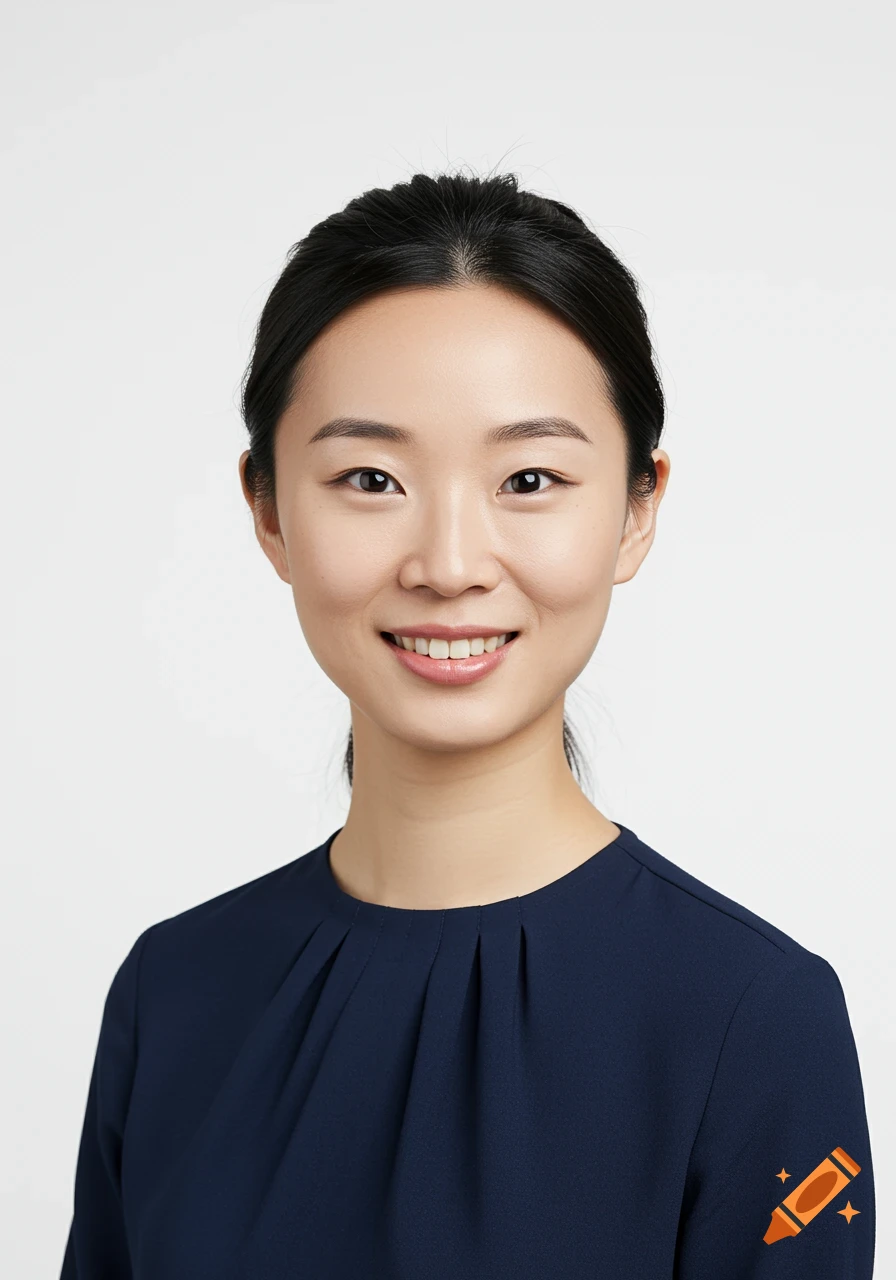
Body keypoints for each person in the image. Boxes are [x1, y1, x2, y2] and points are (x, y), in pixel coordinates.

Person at [60, 171, 875, 1278]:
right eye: (369, 476)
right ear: (267, 510)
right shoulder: (173, 992)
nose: (447, 564)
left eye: (527, 477)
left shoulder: (750, 1020)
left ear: (637, 508)